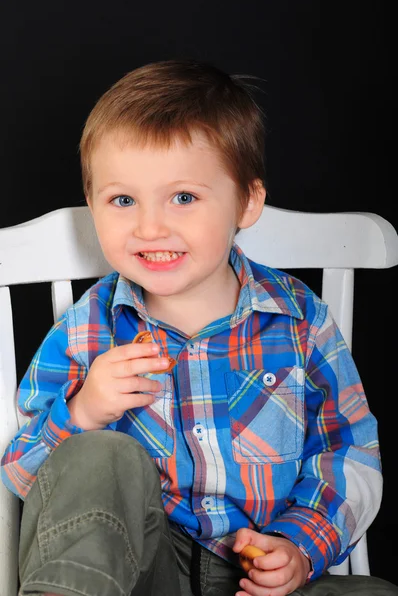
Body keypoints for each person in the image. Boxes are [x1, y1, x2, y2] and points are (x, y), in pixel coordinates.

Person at [1, 59, 397, 596]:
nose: (149, 226)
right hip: (140, 574)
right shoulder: (85, 331)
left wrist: (300, 547)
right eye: (122, 200)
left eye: (183, 197)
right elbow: (23, 477)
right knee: (100, 454)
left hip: (261, 568)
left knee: (371, 592)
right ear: (92, 205)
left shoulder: (299, 320)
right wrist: (84, 412)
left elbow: (348, 450)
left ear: (248, 201)